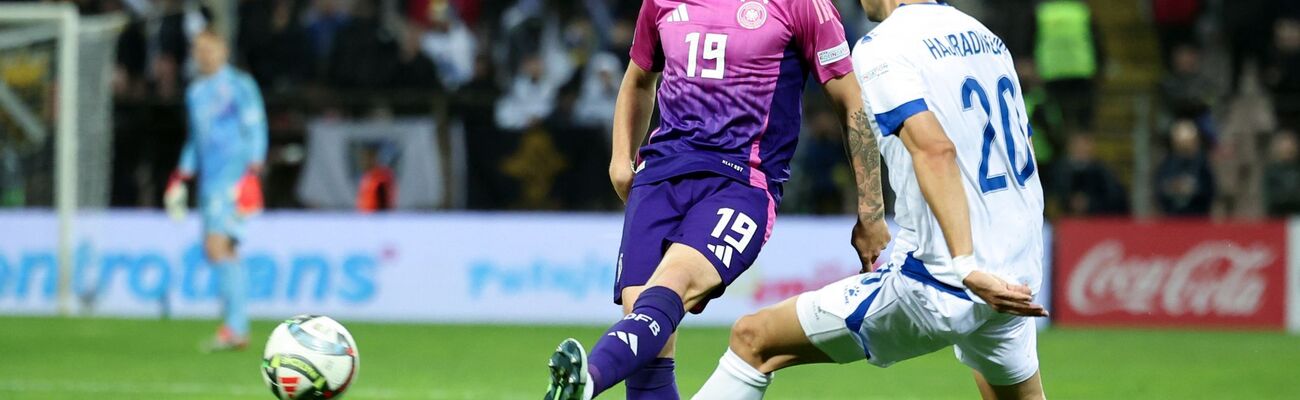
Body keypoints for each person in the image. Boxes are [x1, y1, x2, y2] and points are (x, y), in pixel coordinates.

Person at [692, 1, 1049, 399]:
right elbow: (1024, 153)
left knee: (752, 339)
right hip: (1013, 278)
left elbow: (934, 150)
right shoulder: (987, 40)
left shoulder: (884, 46)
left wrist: (964, 264)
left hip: (941, 281)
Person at [542, 0, 891, 398]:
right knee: (647, 345)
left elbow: (851, 102)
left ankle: (589, 378)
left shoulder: (803, 4)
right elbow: (639, 77)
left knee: (673, 285)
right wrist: (620, 161)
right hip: (659, 177)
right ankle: (588, 379)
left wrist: (871, 211)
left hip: (740, 182)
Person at [164, 30, 267, 352]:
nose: (203, 55)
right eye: (198, 50)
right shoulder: (195, 92)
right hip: (209, 182)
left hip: (233, 180)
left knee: (216, 246)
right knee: (224, 250)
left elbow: (256, 126)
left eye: (209, 49)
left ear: (223, 49)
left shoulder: (238, 85)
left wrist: (253, 169)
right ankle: (237, 327)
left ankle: (235, 327)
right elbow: (195, 139)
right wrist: (182, 173)